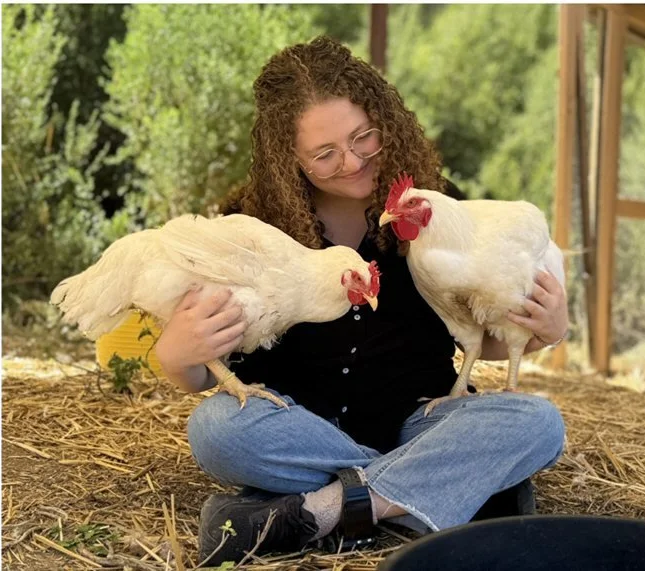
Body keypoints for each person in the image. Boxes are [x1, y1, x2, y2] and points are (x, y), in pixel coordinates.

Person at [154, 35, 568, 566]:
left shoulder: (432, 212)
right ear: (290, 159)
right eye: (324, 153)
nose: (350, 161)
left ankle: (320, 509)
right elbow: (211, 372)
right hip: (296, 426)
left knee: (537, 423)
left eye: (362, 137)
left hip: (420, 419)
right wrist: (176, 355)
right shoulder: (248, 230)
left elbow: (480, 333)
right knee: (216, 431)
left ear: (385, 120)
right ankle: (433, 489)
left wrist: (545, 330)